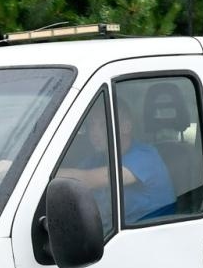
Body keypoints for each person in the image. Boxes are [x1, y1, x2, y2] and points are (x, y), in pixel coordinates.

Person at [55, 97, 177, 228]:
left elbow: (84, 180)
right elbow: (70, 185)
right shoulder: (96, 159)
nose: (94, 133)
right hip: (112, 236)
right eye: (91, 125)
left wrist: (42, 176)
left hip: (151, 239)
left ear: (126, 127)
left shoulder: (146, 156)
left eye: (103, 124)